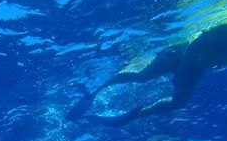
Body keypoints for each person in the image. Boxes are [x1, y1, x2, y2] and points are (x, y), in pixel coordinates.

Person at [67, 22, 227, 126]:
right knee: (141, 76)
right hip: (180, 53)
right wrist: (184, 68)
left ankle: (134, 115)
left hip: (196, 66)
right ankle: (96, 91)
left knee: (179, 103)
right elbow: (200, 39)